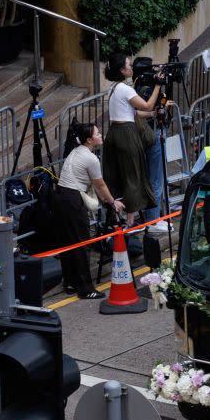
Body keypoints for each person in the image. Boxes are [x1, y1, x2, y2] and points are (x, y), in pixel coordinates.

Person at [55, 123, 125, 299]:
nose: (101, 135)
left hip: (61, 196)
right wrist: (113, 202)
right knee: (81, 243)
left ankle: (70, 282)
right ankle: (86, 288)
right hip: (72, 199)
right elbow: (100, 185)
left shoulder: (76, 151)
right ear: (89, 139)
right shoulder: (91, 159)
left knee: (68, 243)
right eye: (97, 133)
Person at [103, 53, 161, 226]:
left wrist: (153, 114)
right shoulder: (125, 89)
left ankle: (117, 216)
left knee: (118, 176)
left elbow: (134, 112)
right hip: (126, 133)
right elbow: (147, 105)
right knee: (133, 175)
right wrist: (158, 84)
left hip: (113, 132)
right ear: (122, 70)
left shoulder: (113, 88)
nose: (131, 68)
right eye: (128, 65)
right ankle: (130, 222)